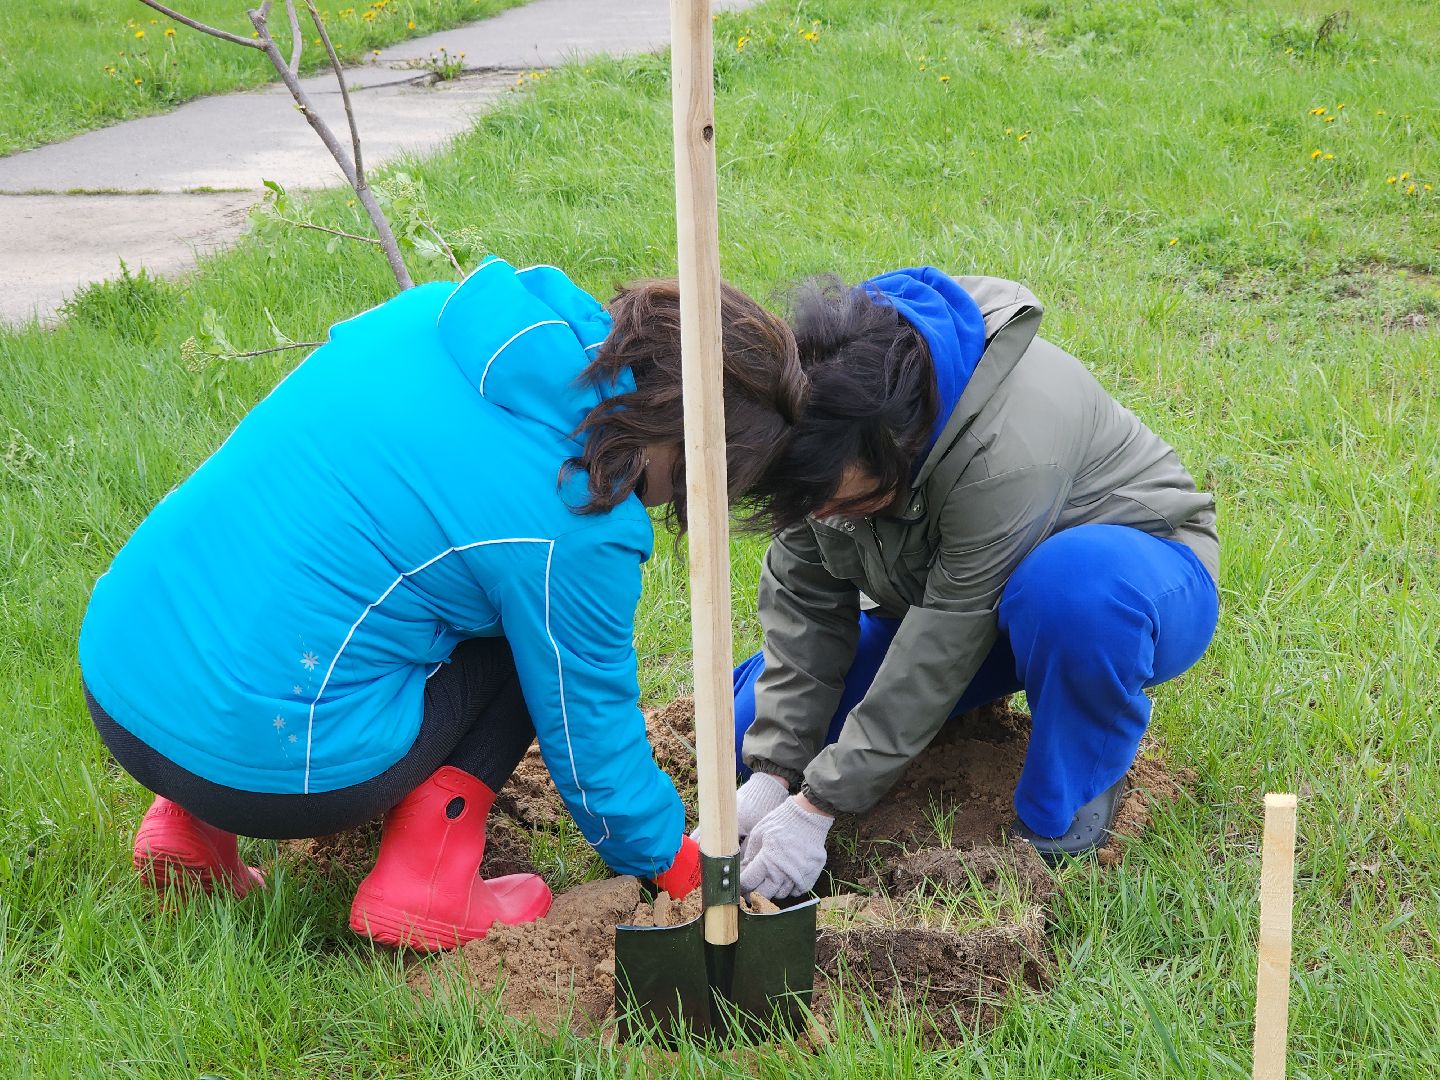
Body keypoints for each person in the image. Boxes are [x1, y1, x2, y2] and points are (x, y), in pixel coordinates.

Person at [78, 257, 805, 950]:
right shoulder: (576, 518)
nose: (680, 506)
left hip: (122, 681)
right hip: (267, 766)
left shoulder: (430, 315)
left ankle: (186, 829)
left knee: (312, 562)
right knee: (539, 640)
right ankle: (426, 879)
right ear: (683, 440)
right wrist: (681, 869)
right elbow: (595, 758)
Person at [727, 268, 1220, 899]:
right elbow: (805, 611)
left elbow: (940, 644)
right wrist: (775, 768)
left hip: (1134, 583)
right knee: (745, 734)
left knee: (1069, 592)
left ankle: (1074, 788)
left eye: (836, 501)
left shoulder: (1006, 446)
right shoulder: (813, 423)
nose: (819, 516)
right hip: (960, 604)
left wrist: (819, 805)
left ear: (897, 447)